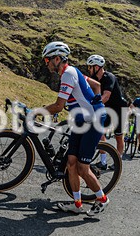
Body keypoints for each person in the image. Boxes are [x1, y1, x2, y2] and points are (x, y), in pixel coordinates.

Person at [40, 41, 109, 214]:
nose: (45, 63)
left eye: (47, 60)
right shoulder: (73, 72)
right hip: (81, 121)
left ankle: (103, 199)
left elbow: (57, 105)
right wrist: (95, 99)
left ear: (57, 59)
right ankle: (77, 205)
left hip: (93, 122)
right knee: (71, 163)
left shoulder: (68, 74)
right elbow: (96, 86)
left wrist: (35, 112)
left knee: (82, 168)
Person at [85, 55, 128, 168]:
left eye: (90, 67)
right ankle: (103, 161)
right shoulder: (95, 80)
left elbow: (106, 96)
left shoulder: (109, 77)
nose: (89, 69)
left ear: (97, 67)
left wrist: (92, 106)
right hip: (107, 109)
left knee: (118, 136)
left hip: (119, 109)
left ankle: (118, 162)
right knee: (100, 132)